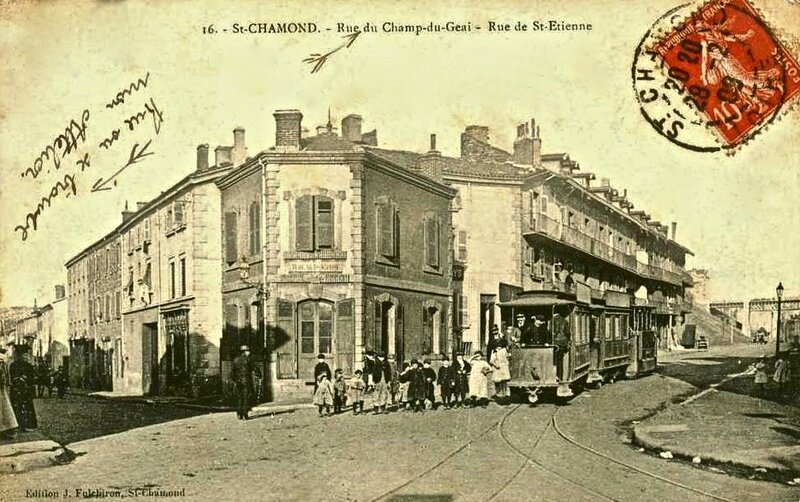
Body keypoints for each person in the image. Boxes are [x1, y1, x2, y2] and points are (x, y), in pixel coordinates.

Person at [9, 346, 38, 431]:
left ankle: (27, 425)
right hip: (16, 390)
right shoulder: (13, 365)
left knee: (27, 407)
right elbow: (11, 376)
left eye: (26, 355)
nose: (24, 357)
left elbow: (32, 379)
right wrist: (17, 379)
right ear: (18, 355)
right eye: (22, 355)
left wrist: (25, 379)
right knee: (16, 407)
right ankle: (16, 425)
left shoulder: (29, 366)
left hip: (25, 390)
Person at [230, 345, 261, 420]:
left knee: (240, 397)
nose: (249, 352)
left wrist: (235, 380)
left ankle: (239, 413)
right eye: (248, 351)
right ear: (244, 352)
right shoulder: (248, 359)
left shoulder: (236, 360)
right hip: (246, 381)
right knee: (246, 397)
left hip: (238, 381)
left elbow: (232, 372)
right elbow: (255, 368)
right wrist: (259, 375)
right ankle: (244, 413)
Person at [0, 348, 19, 439]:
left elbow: (3, 375)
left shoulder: (2, 361)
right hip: (2, 388)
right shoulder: (4, 361)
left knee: (3, 408)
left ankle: (4, 429)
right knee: (4, 408)